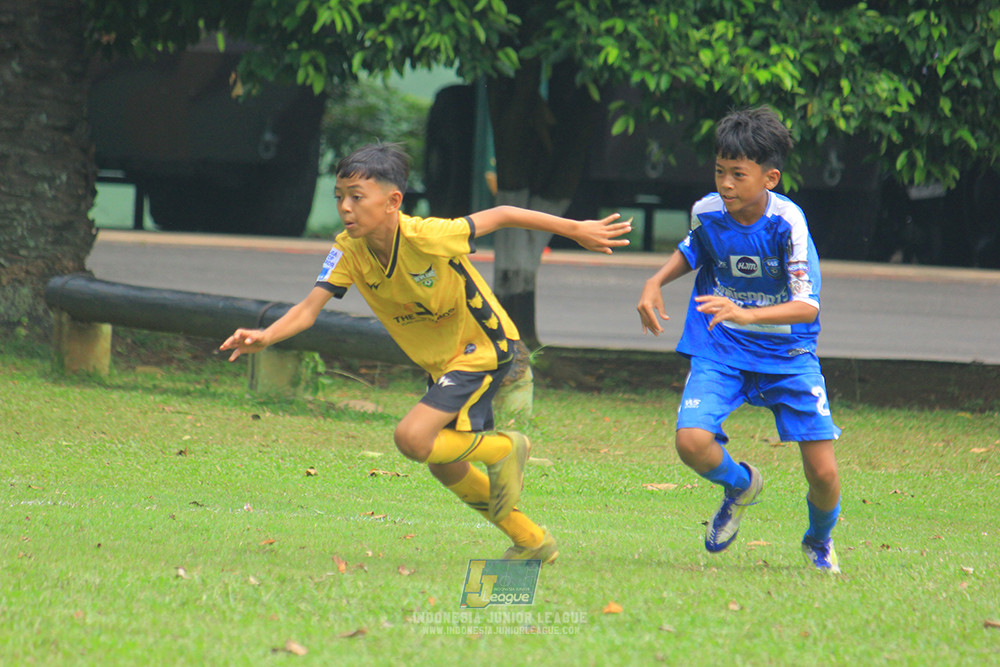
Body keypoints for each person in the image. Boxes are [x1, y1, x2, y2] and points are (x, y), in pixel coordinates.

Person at [221, 142, 632, 563]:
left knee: (413, 438)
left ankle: (503, 450)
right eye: (339, 197)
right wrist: (266, 335)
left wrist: (575, 229)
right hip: (443, 363)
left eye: (357, 197)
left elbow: (505, 213)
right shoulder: (347, 249)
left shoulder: (427, 235)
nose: (345, 207)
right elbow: (308, 309)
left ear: (392, 201)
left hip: (483, 347)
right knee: (444, 463)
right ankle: (531, 540)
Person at [636, 107, 843, 572]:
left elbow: (807, 305)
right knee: (691, 441)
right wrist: (655, 281)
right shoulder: (708, 211)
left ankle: (818, 540)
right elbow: (694, 248)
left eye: (737, 174)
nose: (725, 184)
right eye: (719, 171)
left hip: (788, 355)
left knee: (824, 474)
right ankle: (740, 484)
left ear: (769, 178)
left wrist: (745, 313)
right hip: (721, 349)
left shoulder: (788, 223)